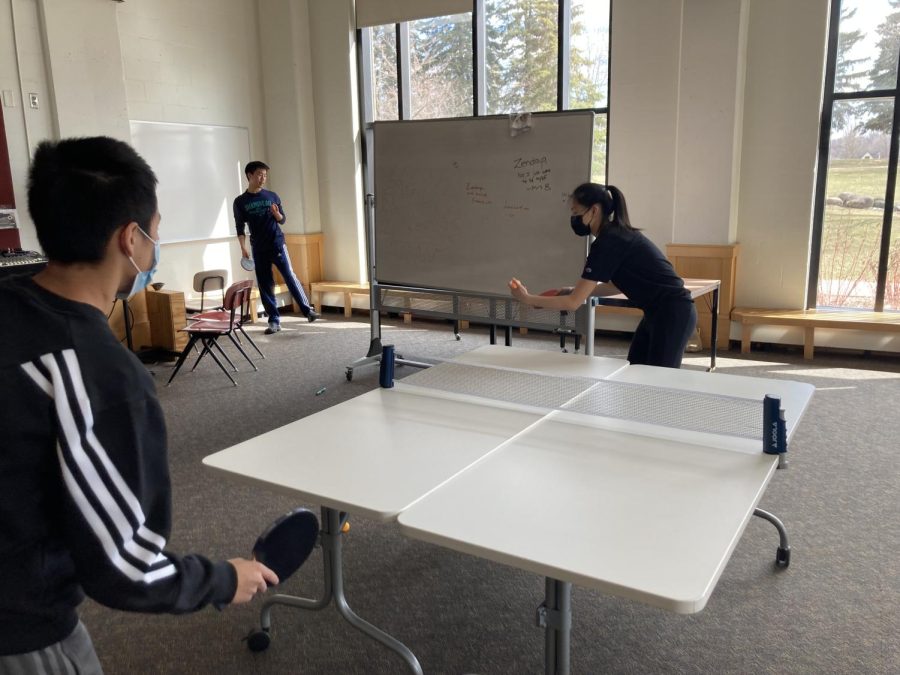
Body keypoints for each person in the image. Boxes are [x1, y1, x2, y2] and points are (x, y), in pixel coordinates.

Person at [0, 137, 278, 673]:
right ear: (131, 239)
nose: (156, 244)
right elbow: (123, 565)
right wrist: (224, 578)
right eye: (155, 229)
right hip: (23, 633)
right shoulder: (100, 375)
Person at [509, 182, 697, 368]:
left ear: (594, 211)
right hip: (656, 312)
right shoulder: (615, 235)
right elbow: (616, 285)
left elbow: (573, 303)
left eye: (576, 212)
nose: (574, 218)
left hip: (673, 312)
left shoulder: (609, 242)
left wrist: (527, 298)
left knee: (659, 381)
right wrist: (574, 290)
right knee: (635, 370)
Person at [234, 161, 319, 334]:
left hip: (277, 243)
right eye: (259, 174)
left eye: (265, 175)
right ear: (249, 175)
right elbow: (239, 227)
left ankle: (307, 310)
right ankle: (274, 321)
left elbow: (282, 219)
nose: (263, 178)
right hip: (258, 248)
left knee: (290, 276)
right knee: (265, 284)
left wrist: (276, 214)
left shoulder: (272, 196)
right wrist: (243, 248)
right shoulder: (240, 202)